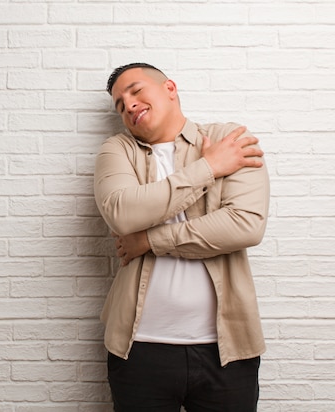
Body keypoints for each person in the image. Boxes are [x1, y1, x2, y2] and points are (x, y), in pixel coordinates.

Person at [93, 62, 270, 412]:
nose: (127, 105)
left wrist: (148, 240)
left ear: (170, 88)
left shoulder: (227, 139)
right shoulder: (117, 151)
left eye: (135, 90)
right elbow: (122, 213)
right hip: (138, 348)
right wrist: (209, 169)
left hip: (226, 349)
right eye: (119, 104)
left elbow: (246, 224)